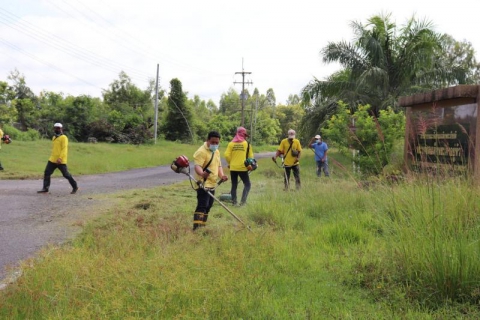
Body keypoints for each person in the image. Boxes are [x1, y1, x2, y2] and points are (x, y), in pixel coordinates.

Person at [192, 131, 228, 230]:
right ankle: (197, 228)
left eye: (217, 143)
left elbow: (218, 165)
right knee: (202, 206)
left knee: (208, 206)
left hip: (213, 184)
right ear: (207, 140)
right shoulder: (201, 151)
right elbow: (197, 166)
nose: (215, 145)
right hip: (203, 183)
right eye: (213, 142)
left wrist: (222, 176)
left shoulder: (216, 151)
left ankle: (202, 226)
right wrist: (202, 174)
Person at [37, 123, 78, 194]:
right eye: (56, 128)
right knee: (47, 172)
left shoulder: (64, 138)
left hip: (60, 160)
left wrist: (60, 158)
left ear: (61, 129)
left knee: (66, 174)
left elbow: (64, 149)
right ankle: (45, 188)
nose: (57, 129)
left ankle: (75, 186)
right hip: (52, 159)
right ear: (54, 129)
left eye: (58, 128)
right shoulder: (54, 137)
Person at [224, 127, 253, 206]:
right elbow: (250, 157)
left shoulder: (231, 143)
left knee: (234, 185)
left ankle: (234, 202)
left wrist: (230, 162)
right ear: (244, 134)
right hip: (243, 167)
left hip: (233, 167)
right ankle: (243, 202)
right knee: (247, 184)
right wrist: (250, 165)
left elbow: (226, 155)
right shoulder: (246, 143)